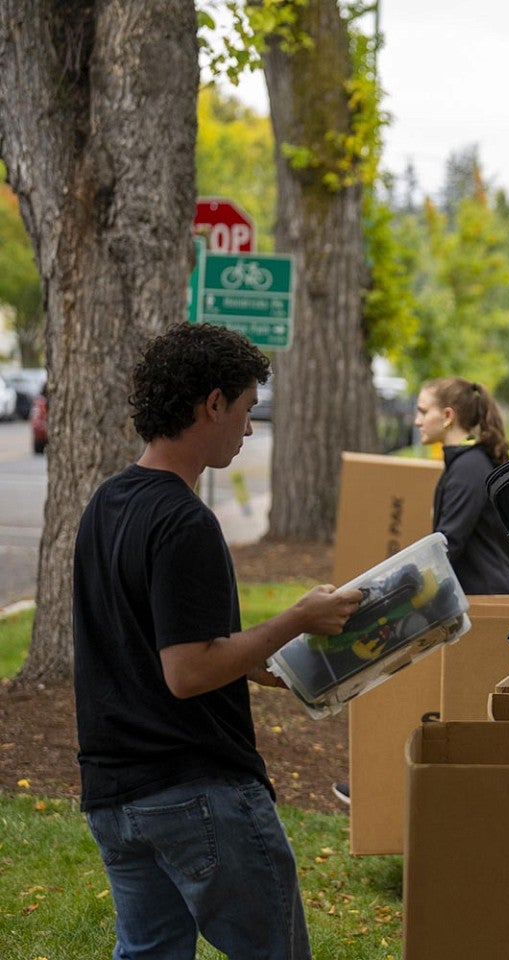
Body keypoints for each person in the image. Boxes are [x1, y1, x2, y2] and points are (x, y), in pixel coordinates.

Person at [72, 322, 364, 960]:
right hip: (194, 792)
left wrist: (249, 659)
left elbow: (149, 646)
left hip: (115, 797)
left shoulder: (107, 504)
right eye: (246, 409)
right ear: (211, 404)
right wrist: (295, 619)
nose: (250, 428)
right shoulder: (184, 520)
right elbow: (185, 672)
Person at [414, 376, 509, 594]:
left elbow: (447, 543)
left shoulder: (469, 468)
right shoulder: (464, 463)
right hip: (484, 597)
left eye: (424, 412)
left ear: (448, 416)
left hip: (493, 602)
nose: (417, 421)